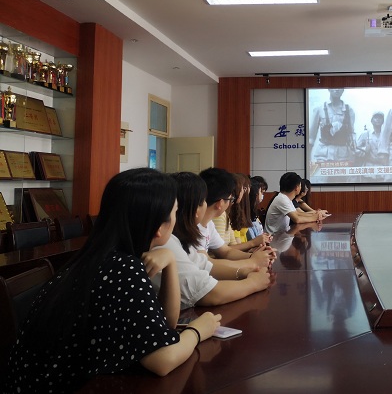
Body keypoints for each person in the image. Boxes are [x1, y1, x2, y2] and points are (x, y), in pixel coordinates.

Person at [5, 168, 221, 392]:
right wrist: (198, 330)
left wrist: (171, 262)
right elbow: (162, 360)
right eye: (175, 212)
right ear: (159, 227)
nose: (176, 219)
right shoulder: (122, 268)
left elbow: (165, 325)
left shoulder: (100, 256)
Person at [150, 172, 270, 309]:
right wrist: (254, 282)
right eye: (203, 201)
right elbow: (210, 294)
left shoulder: (178, 238)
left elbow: (206, 265)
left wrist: (244, 271)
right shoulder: (166, 242)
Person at [198, 167, 275, 267]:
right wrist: (253, 262)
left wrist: (255, 256)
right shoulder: (204, 223)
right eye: (231, 198)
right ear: (220, 203)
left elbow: (226, 251)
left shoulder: (209, 223)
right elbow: (209, 265)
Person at [308, 88, 357, 171]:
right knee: (321, 177)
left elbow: (351, 132)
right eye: (334, 87)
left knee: (341, 178)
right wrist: (308, 158)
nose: (337, 90)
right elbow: (311, 137)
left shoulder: (349, 110)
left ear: (343, 90)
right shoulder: (319, 109)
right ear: (329, 89)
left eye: (340, 87)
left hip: (343, 155)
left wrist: (354, 146)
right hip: (323, 155)